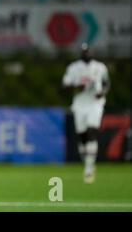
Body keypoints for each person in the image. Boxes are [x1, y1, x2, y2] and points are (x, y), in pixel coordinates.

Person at [62, 43, 110, 184]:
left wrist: (102, 93)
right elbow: (64, 85)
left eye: (88, 51)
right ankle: (87, 161)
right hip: (80, 104)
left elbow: (106, 83)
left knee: (91, 131)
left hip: (94, 104)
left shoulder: (100, 67)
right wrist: (78, 86)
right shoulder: (73, 68)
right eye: (84, 52)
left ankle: (89, 168)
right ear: (81, 53)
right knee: (82, 136)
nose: (86, 54)